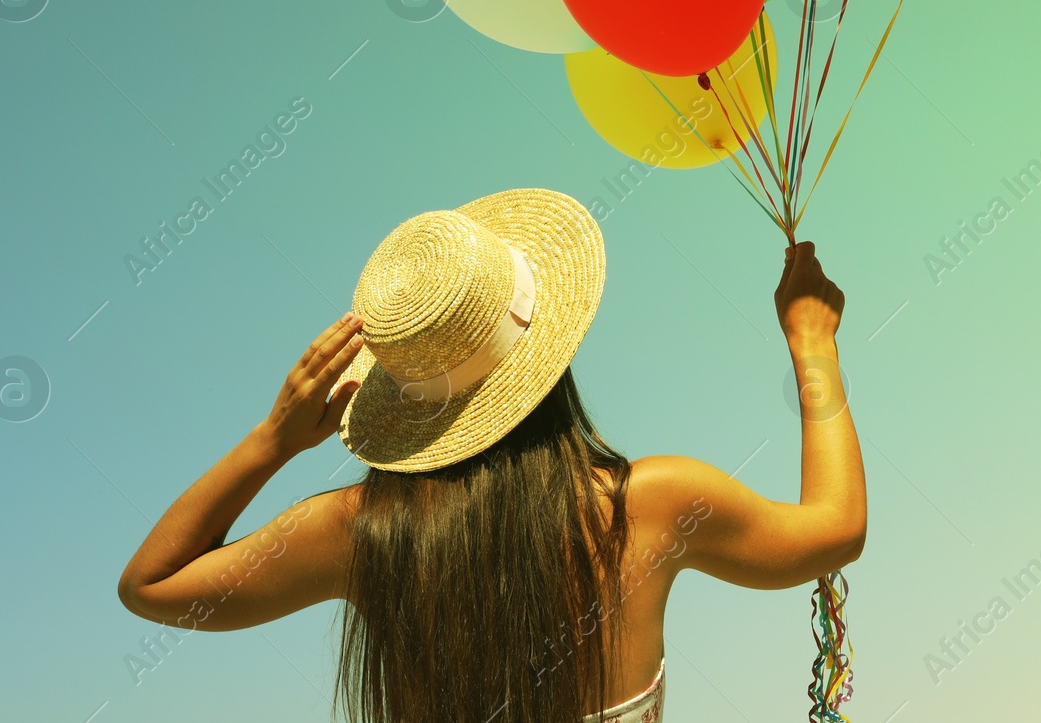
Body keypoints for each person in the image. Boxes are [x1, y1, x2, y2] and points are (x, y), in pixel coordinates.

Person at [118, 188, 864, 723]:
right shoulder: (646, 504)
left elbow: (153, 583)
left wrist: (272, 440)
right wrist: (811, 342)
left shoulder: (358, 532)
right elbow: (836, 526)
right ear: (546, 354)